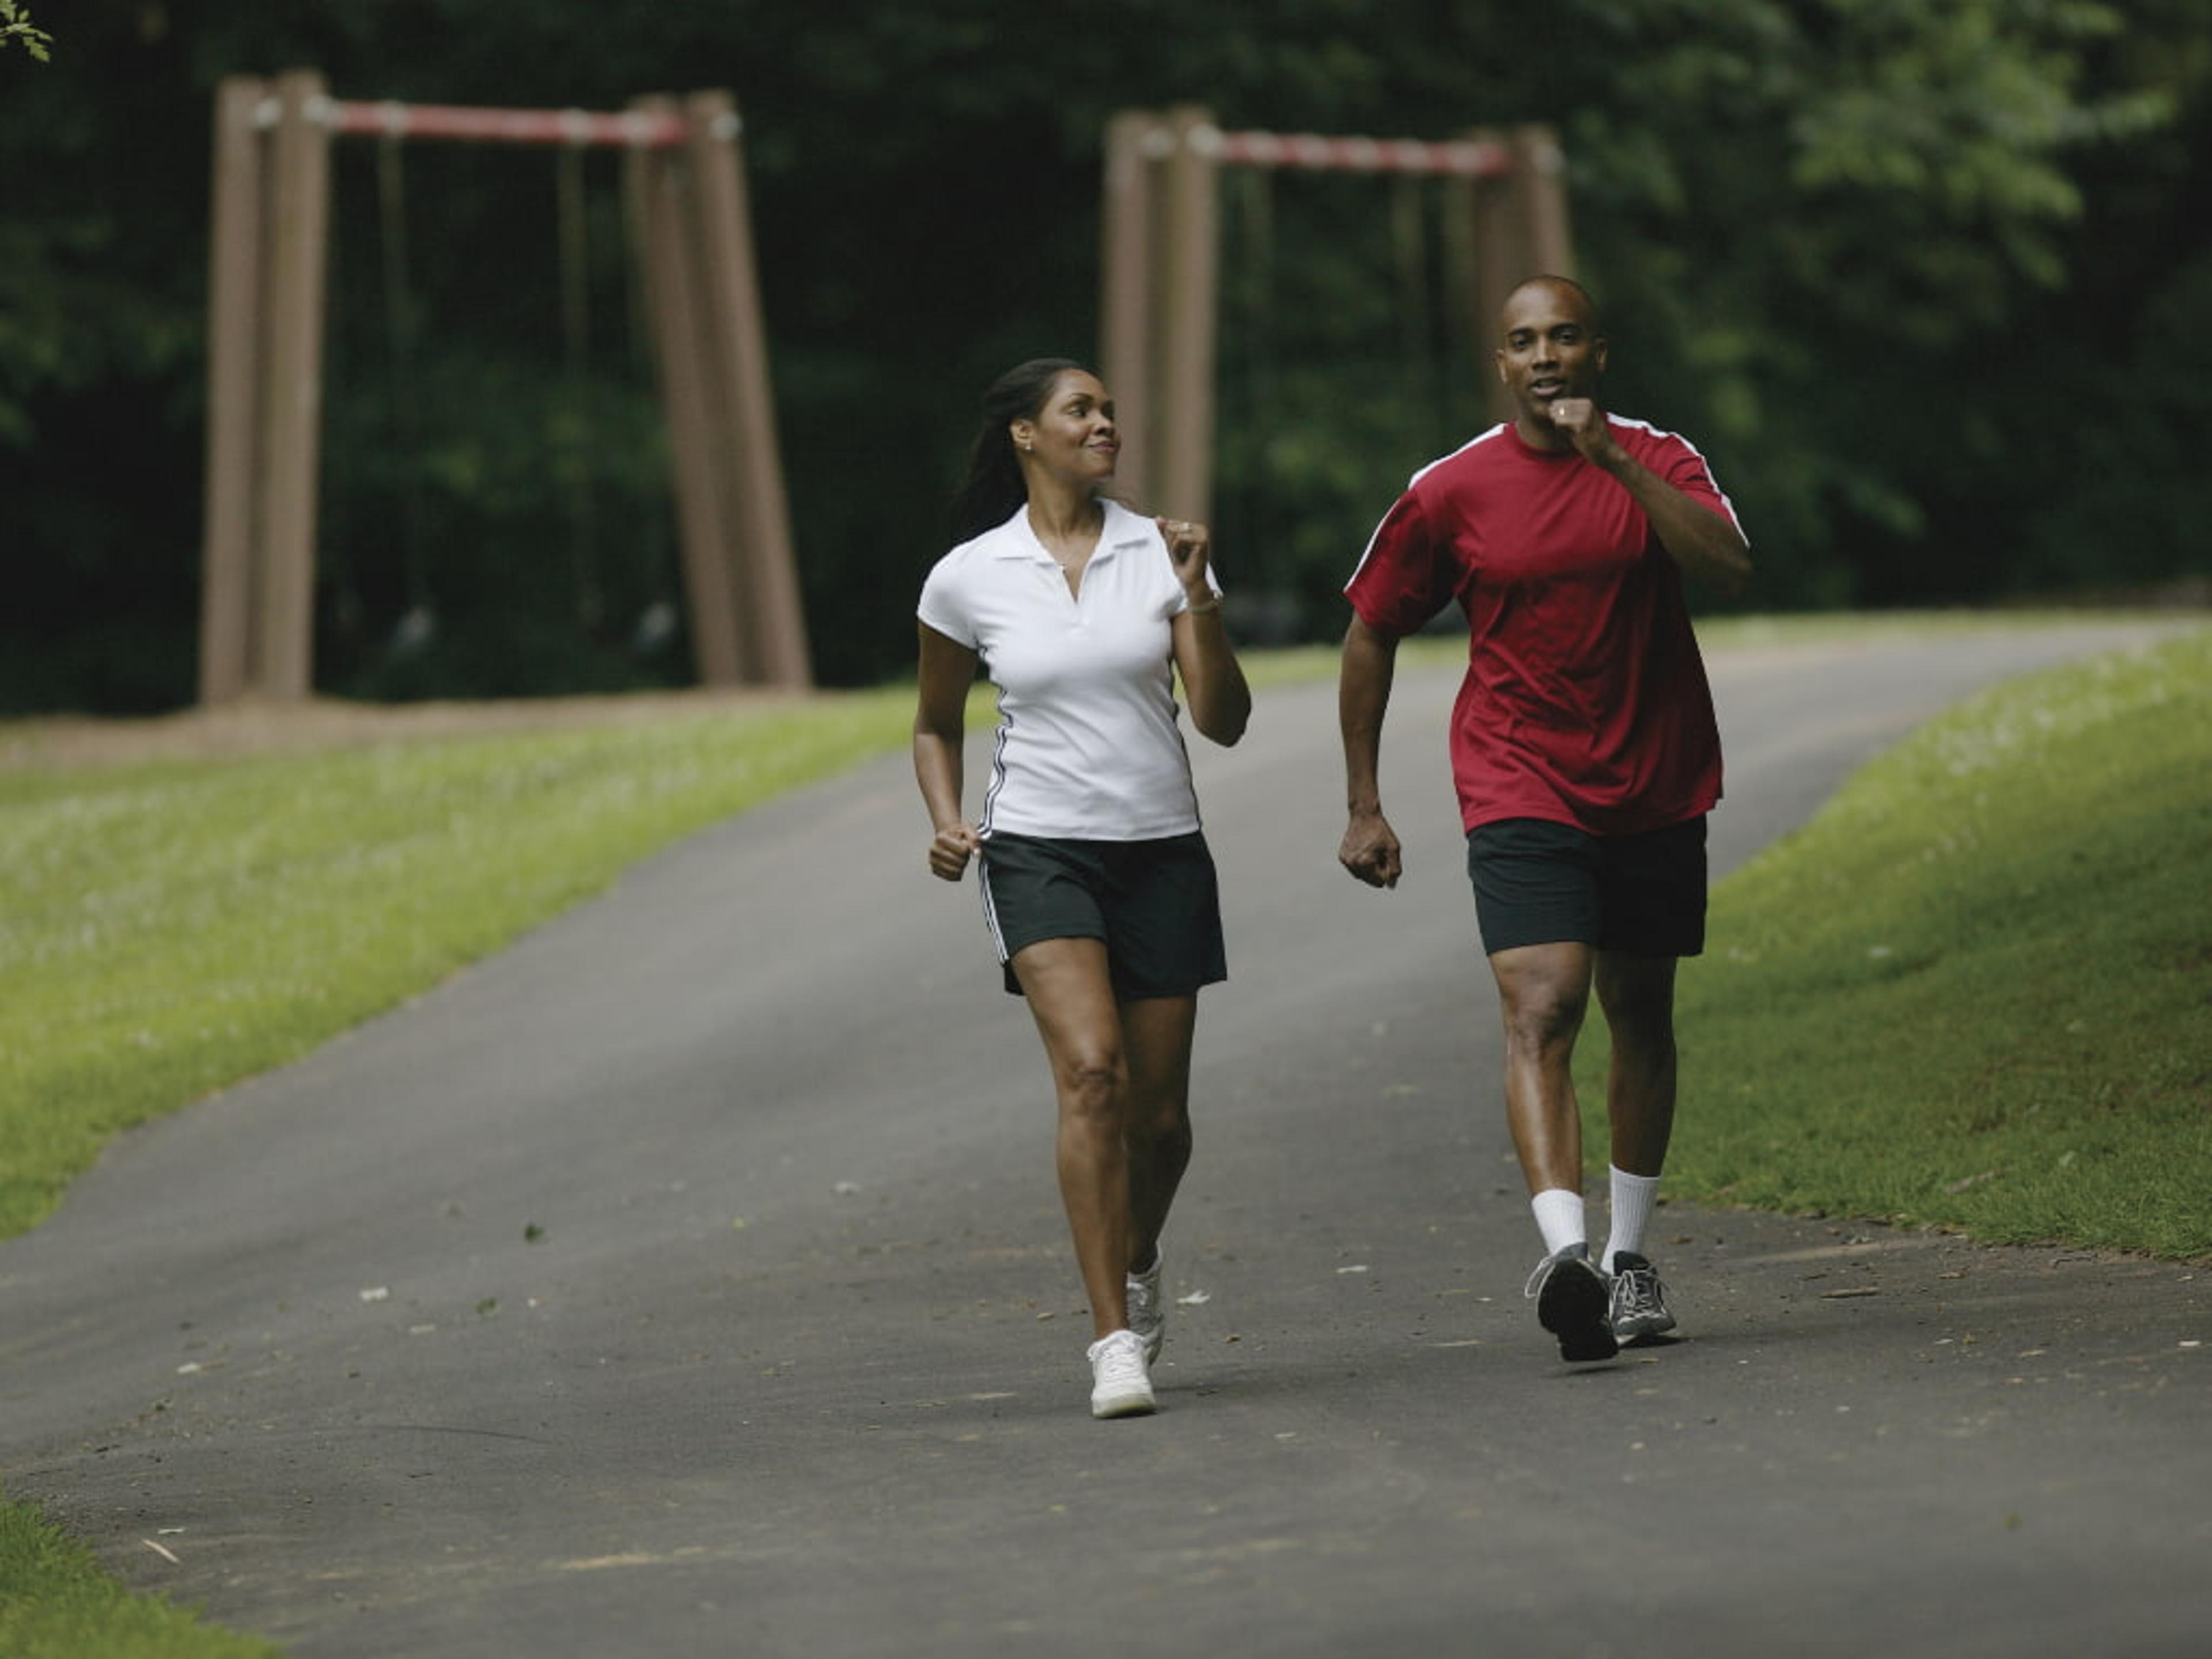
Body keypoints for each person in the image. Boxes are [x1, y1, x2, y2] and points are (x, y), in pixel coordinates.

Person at [1335, 275, 1752, 1363]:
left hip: (1654, 776)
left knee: (1640, 1013)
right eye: (1524, 342)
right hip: (1519, 773)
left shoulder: (1659, 456)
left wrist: (1609, 460)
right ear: (1503, 364)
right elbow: (1372, 626)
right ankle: (1564, 1257)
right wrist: (1365, 802)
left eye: (1565, 337)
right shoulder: (1451, 490)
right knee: (1544, 1003)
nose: (1546, 357)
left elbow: (1728, 560)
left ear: (1598, 354)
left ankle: (1628, 1257)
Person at [912, 357, 1252, 1418]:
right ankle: (1113, 1338)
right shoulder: (969, 574)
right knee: (1092, 1074)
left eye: (1108, 409)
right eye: (1080, 410)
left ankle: (1138, 1257)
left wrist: (1196, 592)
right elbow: (935, 721)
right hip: (1037, 849)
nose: (1105, 423)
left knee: (1160, 1125)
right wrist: (946, 818)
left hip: (1161, 849)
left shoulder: (1163, 552)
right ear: (1025, 434)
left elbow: (1225, 720)